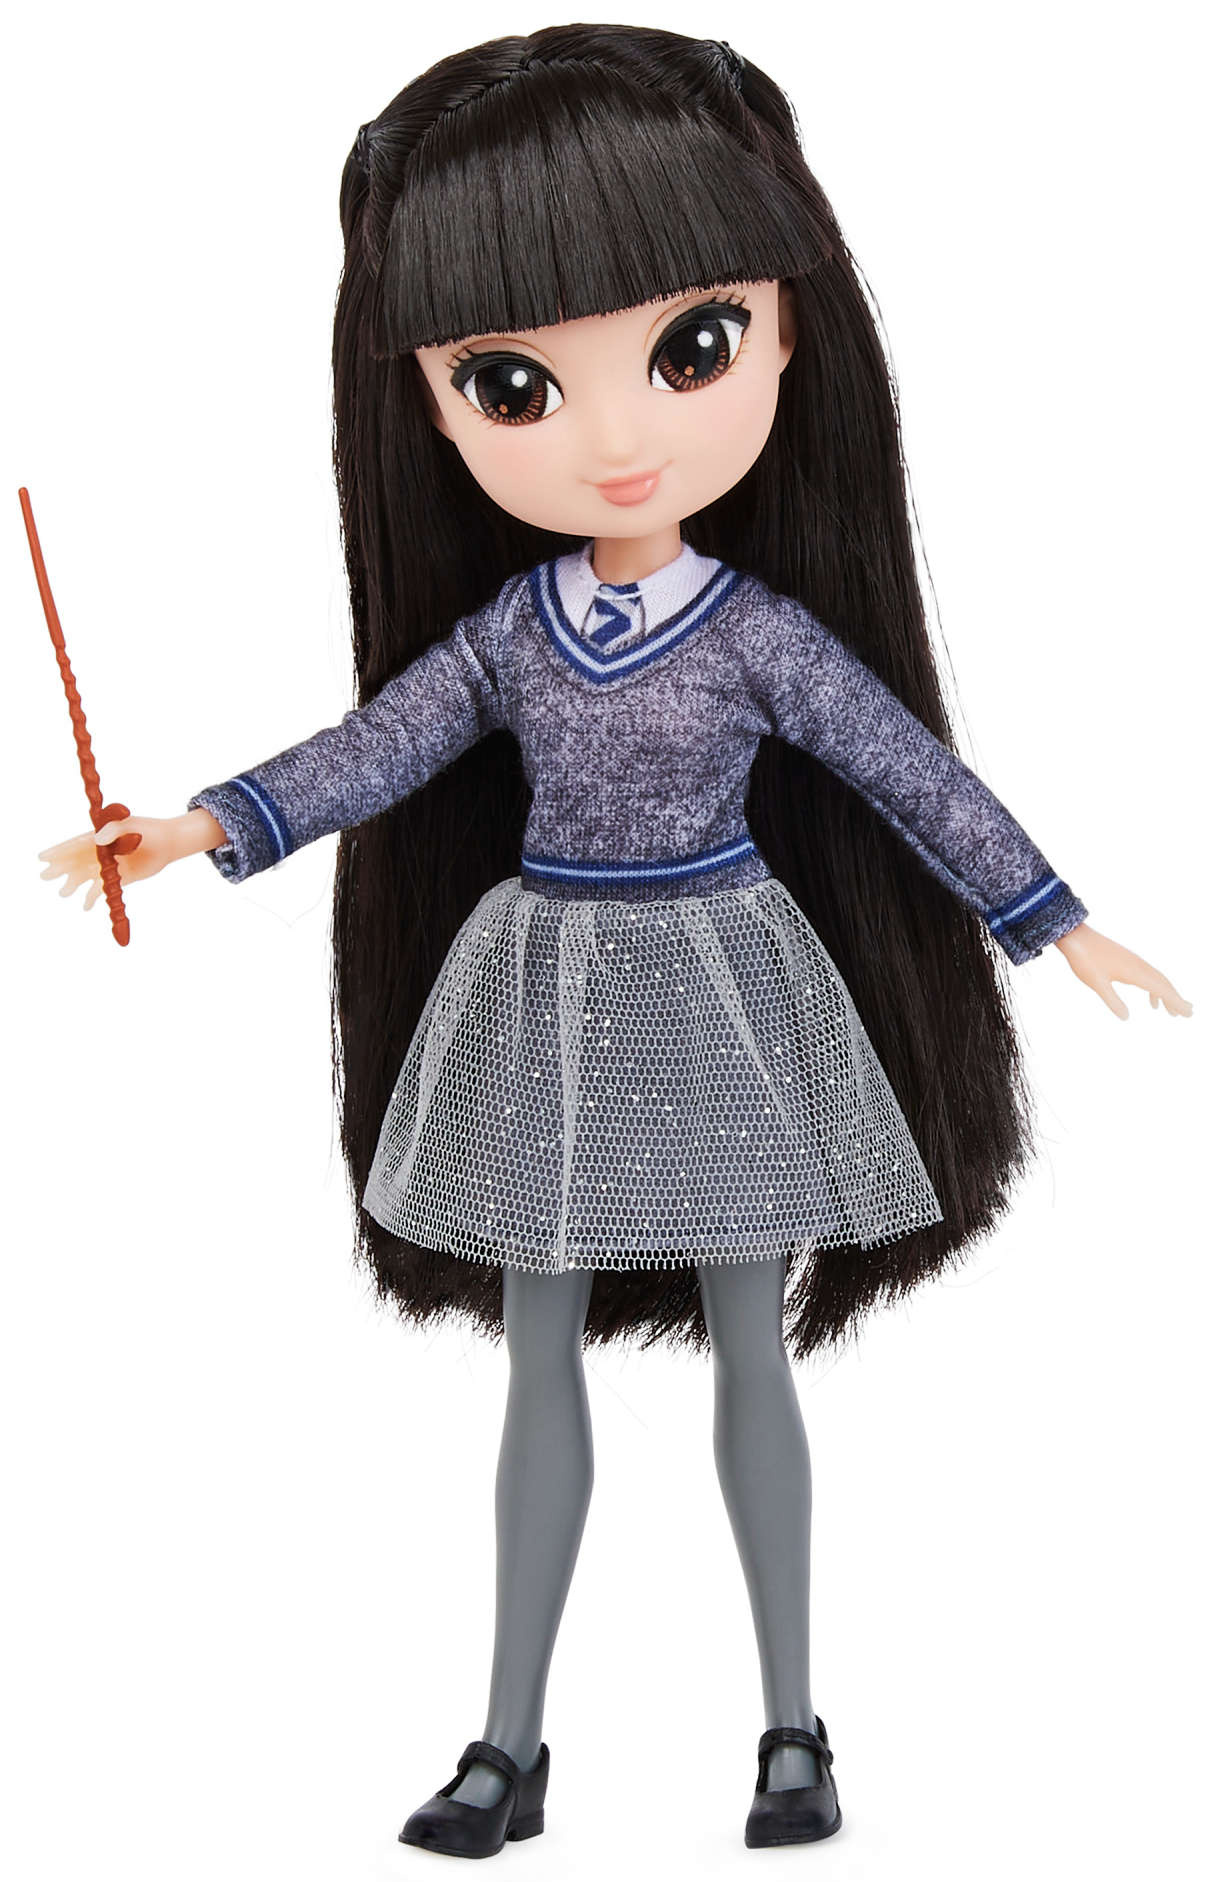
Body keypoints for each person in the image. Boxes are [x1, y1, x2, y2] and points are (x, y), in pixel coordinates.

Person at [38, 24, 1191, 1859]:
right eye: (514, 382)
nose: (621, 436)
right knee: (541, 1367)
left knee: (753, 1357)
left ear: (789, 334)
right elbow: (378, 748)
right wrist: (200, 824)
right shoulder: (513, 632)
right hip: (548, 994)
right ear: (431, 406)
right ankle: (510, 1739)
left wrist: (1055, 920)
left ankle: (793, 1723)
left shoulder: (757, 632)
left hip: (724, 985)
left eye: (692, 347)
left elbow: (904, 768)